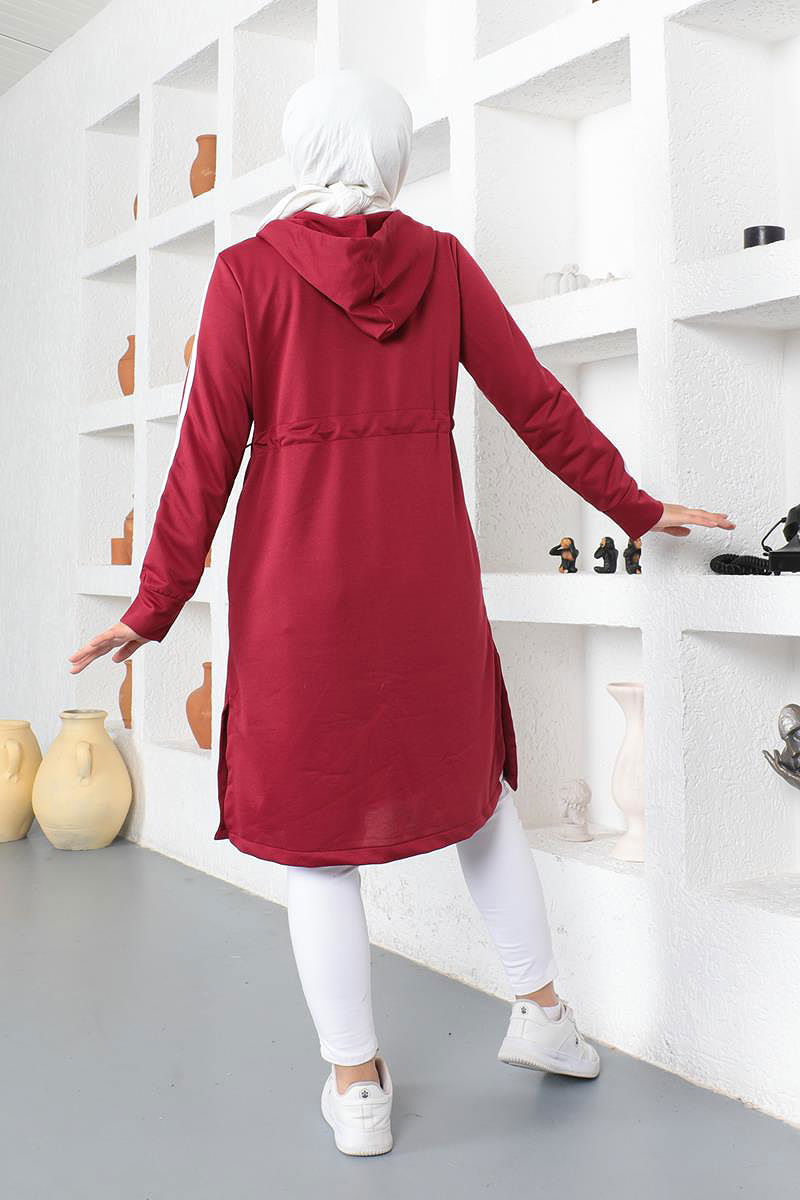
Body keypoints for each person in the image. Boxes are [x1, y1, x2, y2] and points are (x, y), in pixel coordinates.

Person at [68, 68, 734, 1158]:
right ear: (393, 154)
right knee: (479, 800)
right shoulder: (444, 263)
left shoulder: (246, 274)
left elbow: (202, 458)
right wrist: (634, 505)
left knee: (316, 845)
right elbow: (537, 404)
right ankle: (543, 1016)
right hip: (426, 589)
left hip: (298, 599)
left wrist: (153, 607)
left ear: (302, 150)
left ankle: (358, 1085)